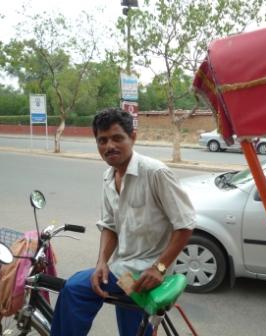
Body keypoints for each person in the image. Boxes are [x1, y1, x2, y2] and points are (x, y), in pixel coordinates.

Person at [51, 108, 196, 336]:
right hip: (124, 272)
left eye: (117, 138)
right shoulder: (108, 177)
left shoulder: (155, 173)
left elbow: (185, 225)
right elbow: (109, 225)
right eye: (103, 140)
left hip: (149, 271)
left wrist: (159, 268)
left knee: (74, 289)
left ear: (133, 137)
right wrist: (101, 262)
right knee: (134, 332)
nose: (110, 146)